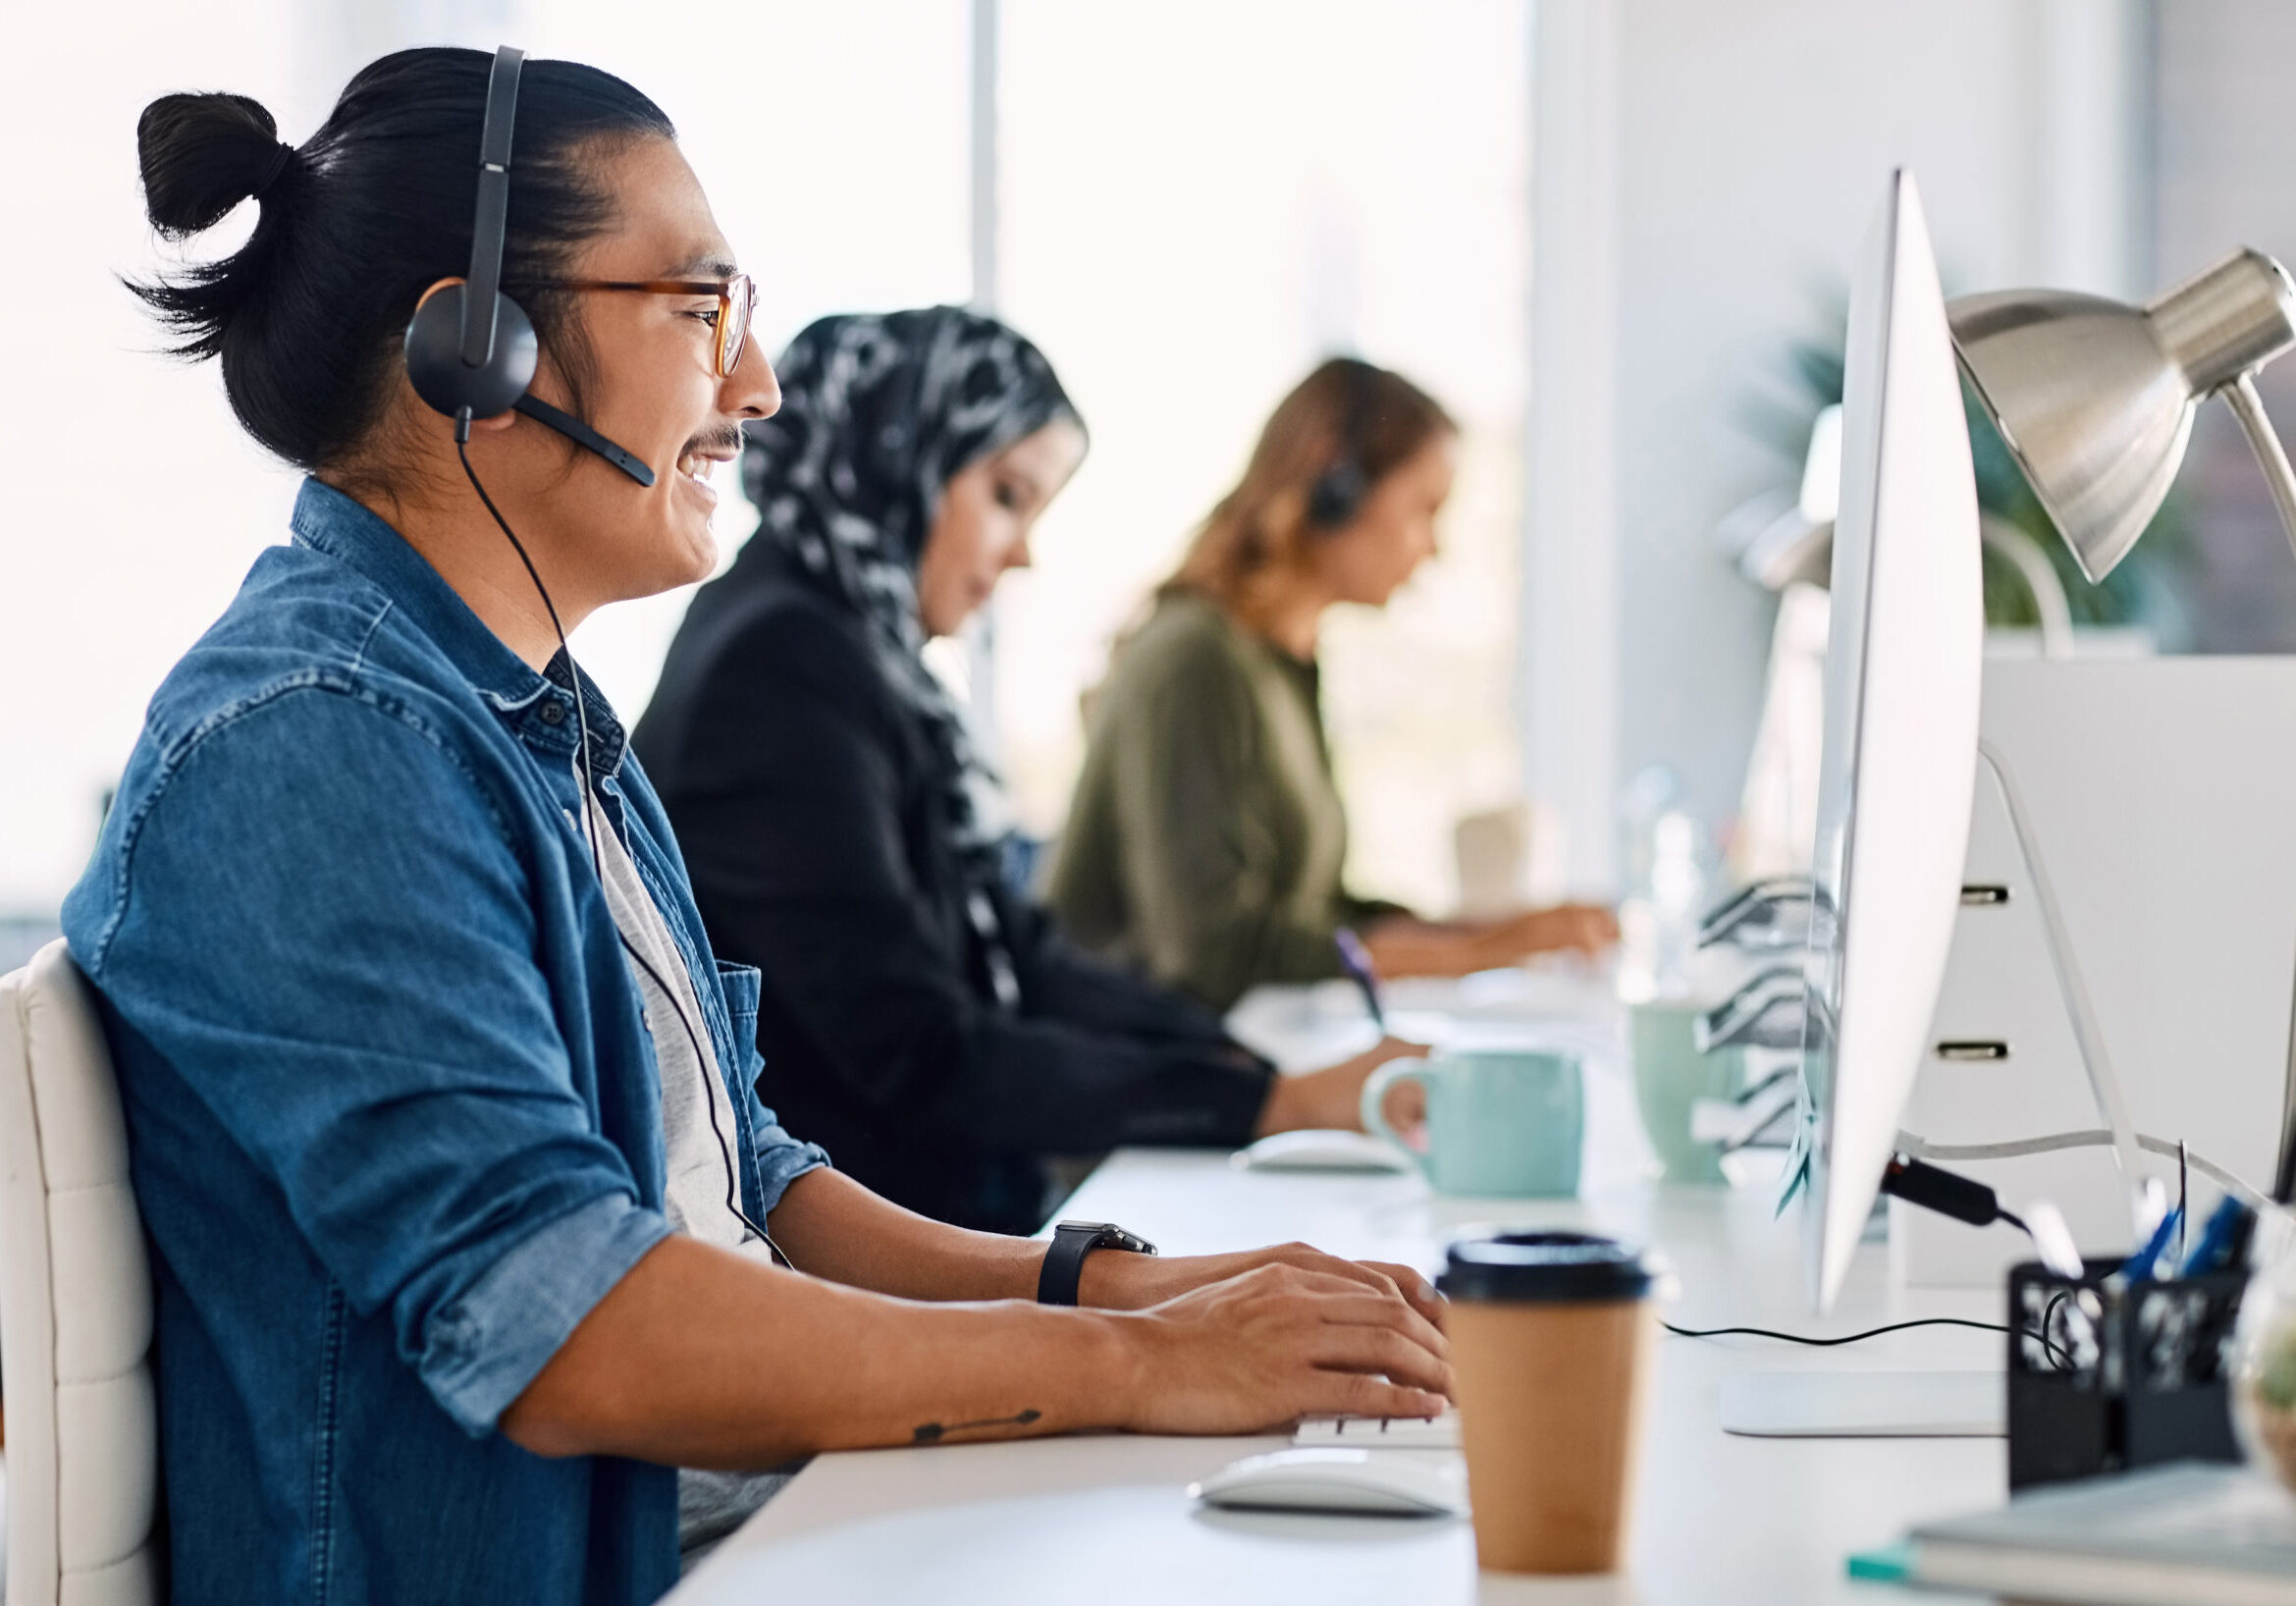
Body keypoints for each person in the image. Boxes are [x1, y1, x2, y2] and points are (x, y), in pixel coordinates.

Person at [69, 50, 1447, 1604]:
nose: (757, 384)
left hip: (761, 1531)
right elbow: (573, 1326)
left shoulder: (536, 717)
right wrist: (1133, 1364)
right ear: (478, 350)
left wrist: (1147, 1292)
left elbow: (747, 1179)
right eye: (702, 307)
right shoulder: (314, 746)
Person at [634, 308, 1421, 1236]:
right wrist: (1266, 1104)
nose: (1023, 552)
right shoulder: (780, 669)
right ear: (901, 461)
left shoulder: (855, 652)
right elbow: (922, 1055)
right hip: (860, 1267)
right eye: (1007, 496)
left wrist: (1246, 1068)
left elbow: (1022, 955)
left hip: (931, 1213)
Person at [1045, 357, 1619, 1012]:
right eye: (1423, 510)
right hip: (1131, 1067)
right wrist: (1475, 955)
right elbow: (1212, 952)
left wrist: (1505, 932)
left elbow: (1316, 913)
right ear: (1334, 483)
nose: (1433, 548)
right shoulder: (1194, 657)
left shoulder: (1280, 663)